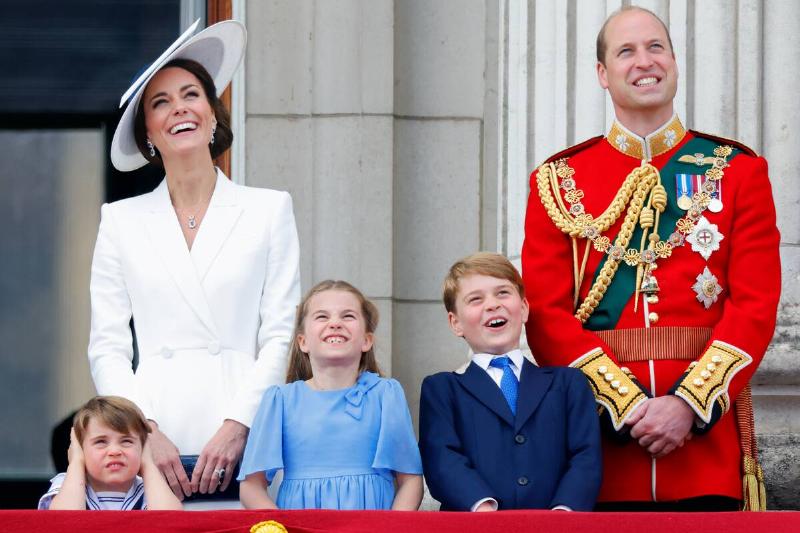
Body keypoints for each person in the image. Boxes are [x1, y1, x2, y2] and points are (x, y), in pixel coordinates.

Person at [522, 6, 780, 511]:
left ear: (675, 63)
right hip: (600, 457)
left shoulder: (737, 171)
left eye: (655, 47)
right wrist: (625, 407)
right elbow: (546, 315)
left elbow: (755, 306)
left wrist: (688, 404)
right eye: (627, 51)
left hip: (704, 454)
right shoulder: (558, 181)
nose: (645, 61)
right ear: (603, 74)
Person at [89, 20, 301, 505]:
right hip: (153, 433)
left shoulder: (268, 209)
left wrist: (239, 424)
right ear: (148, 133)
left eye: (191, 95)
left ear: (212, 115)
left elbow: (281, 334)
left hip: (247, 434)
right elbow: (107, 346)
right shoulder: (120, 220)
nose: (179, 108)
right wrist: (141, 430)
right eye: (160, 102)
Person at [418, 252, 601, 512]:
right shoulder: (443, 389)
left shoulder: (568, 383)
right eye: (476, 299)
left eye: (503, 293)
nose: (492, 305)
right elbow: (441, 458)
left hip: (557, 525)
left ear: (524, 308)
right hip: (476, 525)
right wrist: (483, 509)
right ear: (455, 322)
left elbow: (586, 455)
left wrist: (563, 514)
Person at [238, 280, 423, 510]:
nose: (335, 323)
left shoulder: (386, 395)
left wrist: (391, 526)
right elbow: (251, 486)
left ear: (367, 340)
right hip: (300, 525)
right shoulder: (280, 401)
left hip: (371, 524)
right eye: (322, 316)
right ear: (303, 342)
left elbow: (410, 480)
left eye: (348, 316)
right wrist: (279, 526)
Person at [39, 396, 182, 510]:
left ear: (143, 448)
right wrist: (76, 462)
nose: (114, 451)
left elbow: (170, 521)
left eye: (126, 441)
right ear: (81, 450)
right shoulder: (68, 483)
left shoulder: (151, 488)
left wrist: (148, 464)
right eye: (101, 442)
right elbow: (64, 521)